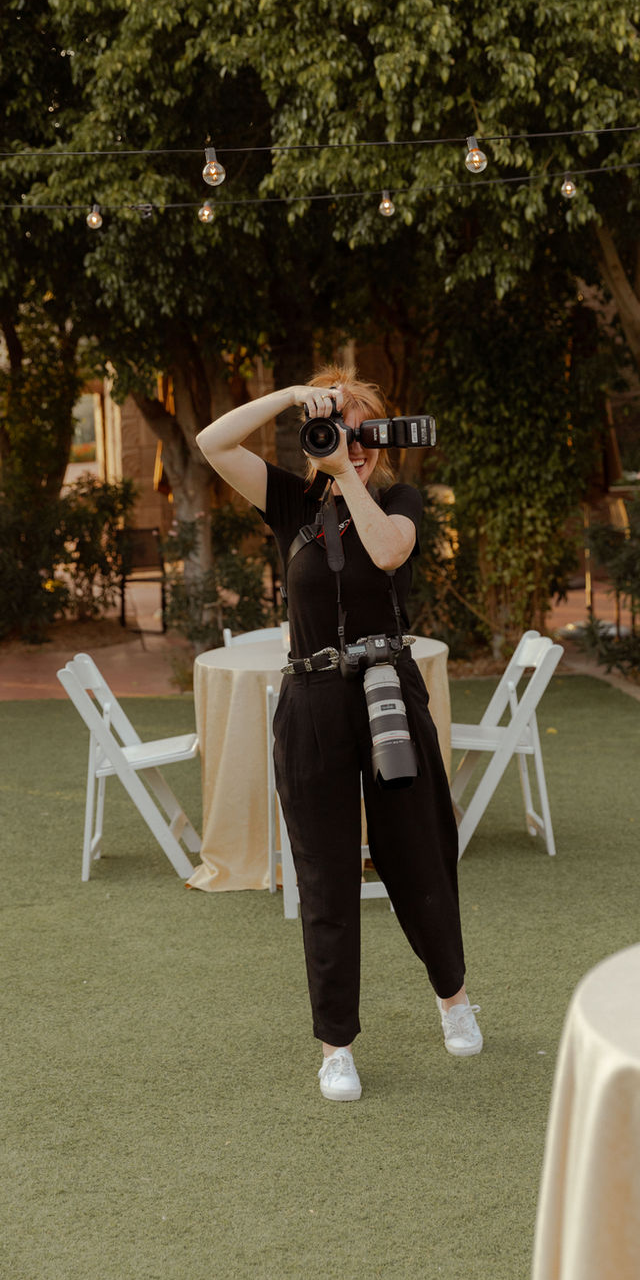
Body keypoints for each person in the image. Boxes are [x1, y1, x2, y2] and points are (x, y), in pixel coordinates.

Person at [196, 365, 481, 1101]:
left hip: (389, 690)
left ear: (380, 441)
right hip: (314, 699)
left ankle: (453, 998)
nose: (350, 445)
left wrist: (346, 473)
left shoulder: (398, 500)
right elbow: (211, 440)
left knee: (419, 856)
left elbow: (388, 551)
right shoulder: (292, 503)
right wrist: (294, 401)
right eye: (337, 429)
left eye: (363, 433)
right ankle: (336, 1049)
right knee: (324, 876)